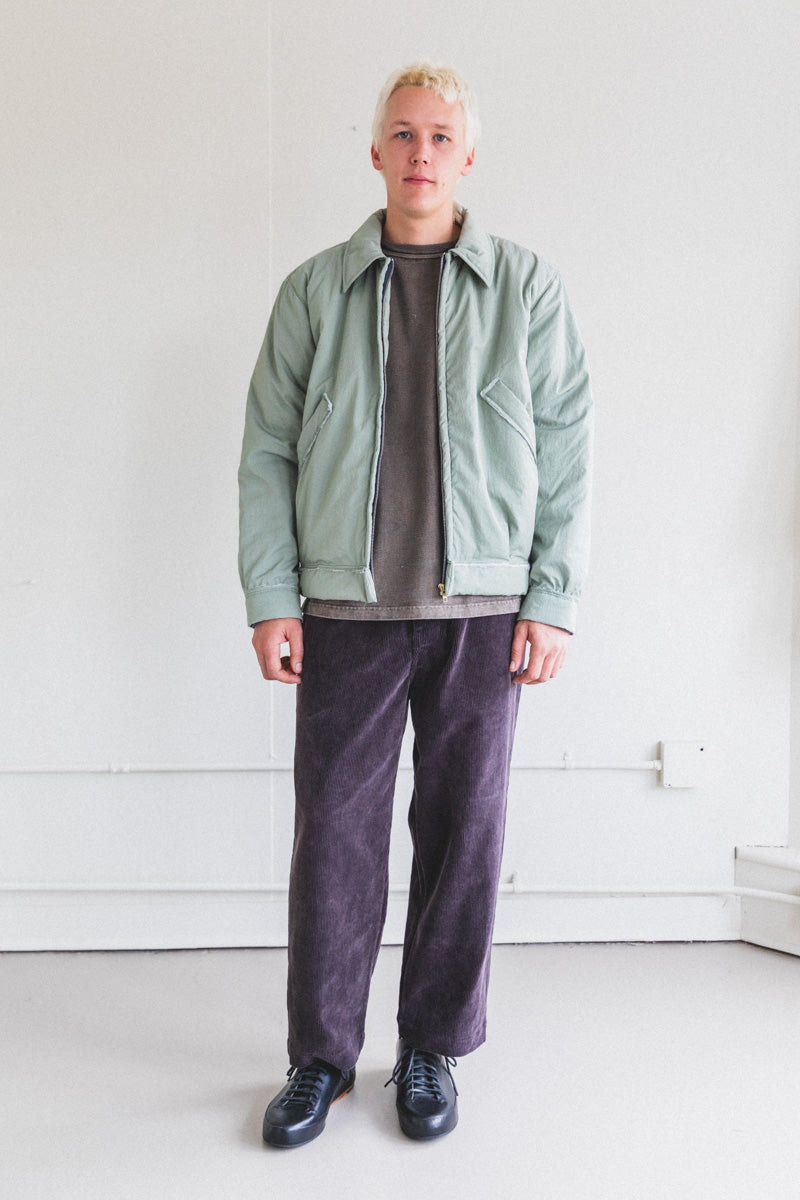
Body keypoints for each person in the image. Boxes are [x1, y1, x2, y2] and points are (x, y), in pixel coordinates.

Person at [238, 61, 593, 1148]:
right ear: (376, 151)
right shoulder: (314, 290)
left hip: (482, 613)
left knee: (463, 830)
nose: (421, 153)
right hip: (343, 610)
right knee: (332, 837)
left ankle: (431, 1046)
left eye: (440, 136)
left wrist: (551, 599)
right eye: (403, 133)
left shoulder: (526, 289)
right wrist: (271, 595)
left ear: (467, 156)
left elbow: (568, 451)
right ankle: (320, 1056)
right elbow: (267, 450)